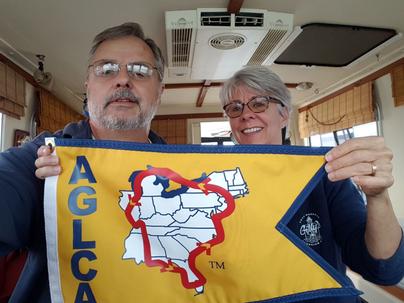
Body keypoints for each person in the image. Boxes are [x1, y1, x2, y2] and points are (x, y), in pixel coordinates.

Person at [0, 22, 166, 302]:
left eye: (140, 70)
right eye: (107, 69)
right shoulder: (41, 159)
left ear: (161, 89)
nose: (123, 79)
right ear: (87, 85)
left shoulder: (184, 174)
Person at [218, 66, 404, 302]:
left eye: (259, 103)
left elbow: (384, 270)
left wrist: (378, 196)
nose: (246, 115)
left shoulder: (324, 175)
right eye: (235, 108)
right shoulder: (217, 183)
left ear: (284, 114)